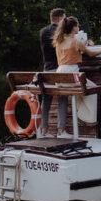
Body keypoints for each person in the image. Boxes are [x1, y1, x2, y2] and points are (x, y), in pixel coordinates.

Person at [51, 16, 101, 137]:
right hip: (72, 76)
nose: (78, 28)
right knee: (92, 90)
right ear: (73, 28)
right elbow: (90, 53)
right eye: (77, 26)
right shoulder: (76, 42)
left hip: (60, 77)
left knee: (80, 90)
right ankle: (86, 117)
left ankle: (79, 113)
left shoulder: (58, 43)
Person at [39, 8, 65, 137]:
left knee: (46, 99)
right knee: (62, 97)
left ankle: (44, 130)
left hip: (47, 69)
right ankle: (61, 130)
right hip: (59, 70)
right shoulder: (61, 32)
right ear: (60, 18)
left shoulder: (43, 32)